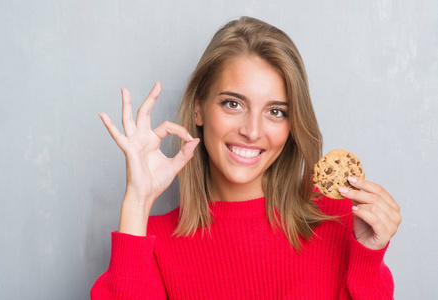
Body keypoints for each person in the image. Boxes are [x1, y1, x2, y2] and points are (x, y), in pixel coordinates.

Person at [90, 16, 401, 299]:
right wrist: (137, 202)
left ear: (292, 125)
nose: (252, 131)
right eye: (233, 104)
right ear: (199, 108)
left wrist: (368, 257)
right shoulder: (151, 241)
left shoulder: (340, 221)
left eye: (276, 112)